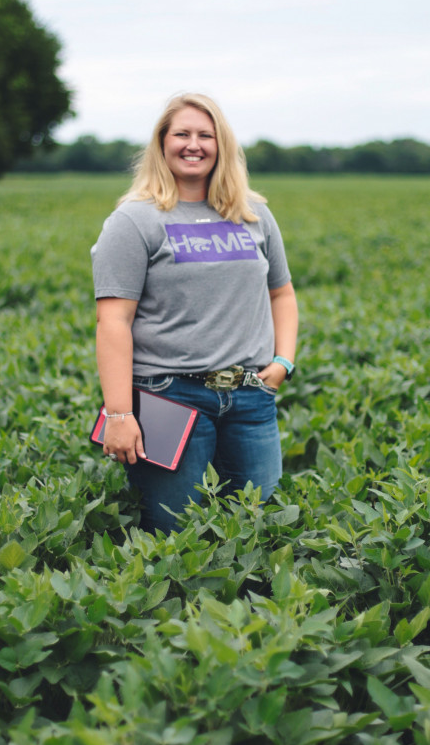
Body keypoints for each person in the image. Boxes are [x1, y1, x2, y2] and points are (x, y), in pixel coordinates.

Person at [91, 92, 298, 533]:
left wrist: (283, 361)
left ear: (221, 146)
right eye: (181, 133)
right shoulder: (134, 221)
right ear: (162, 143)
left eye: (206, 135)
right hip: (168, 396)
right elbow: (113, 322)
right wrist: (119, 414)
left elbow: (282, 292)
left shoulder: (252, 214)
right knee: (172, 535)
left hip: (249, 396)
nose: (194, 144)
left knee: (258, 528)